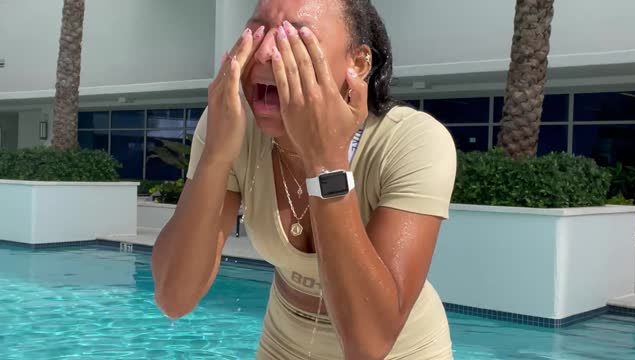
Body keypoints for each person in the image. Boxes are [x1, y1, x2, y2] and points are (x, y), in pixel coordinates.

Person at [151, 0, 457, 359]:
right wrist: (215, 157)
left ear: (357, 64)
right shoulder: (230, 126)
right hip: (283, 343)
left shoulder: (411, 141)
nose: (265, 51)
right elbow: (174, 298)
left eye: (294, 36)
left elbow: (369, 345)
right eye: (258, 30)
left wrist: (327, 163)